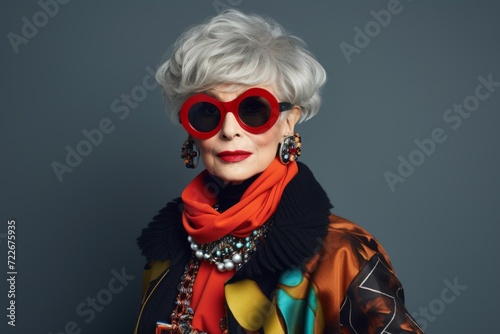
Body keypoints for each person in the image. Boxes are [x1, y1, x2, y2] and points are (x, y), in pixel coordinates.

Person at [134, 9, 424, 334]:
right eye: (207, 112)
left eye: (253, 109)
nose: (230, 130)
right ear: (191, 131)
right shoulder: (168, 246)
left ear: (288, 123)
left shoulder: (342, 255)